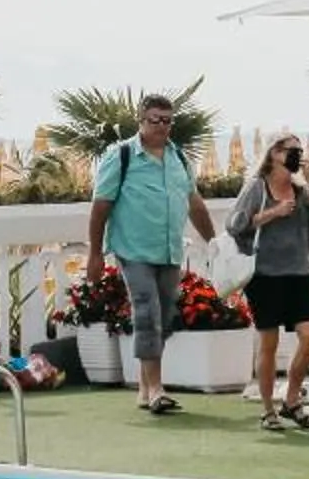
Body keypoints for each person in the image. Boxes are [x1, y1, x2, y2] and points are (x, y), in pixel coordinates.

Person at [87, 95, 217, 416]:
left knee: (164, 317)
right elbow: (101, 206)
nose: (162, 126)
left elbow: (194, 202)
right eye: (155, 119)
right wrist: (94, 253)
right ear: (141, 120)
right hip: (133, 249)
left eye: (167, 120)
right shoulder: (122, 156)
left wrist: (215, 242)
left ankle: (145, 390)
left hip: (169, 249)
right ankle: (158, 388)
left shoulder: (179, 159)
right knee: (147, 311)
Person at [229, 131, 309, 430]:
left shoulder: (301, 192)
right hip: (265, 276)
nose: (297, 155)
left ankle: (291, 400)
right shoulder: (256, 188)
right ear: (274, 153)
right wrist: (271, 213)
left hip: (299, 274)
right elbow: (235, 224)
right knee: (269, 343)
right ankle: (267, 410)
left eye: (300, 150)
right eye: (291, 150)